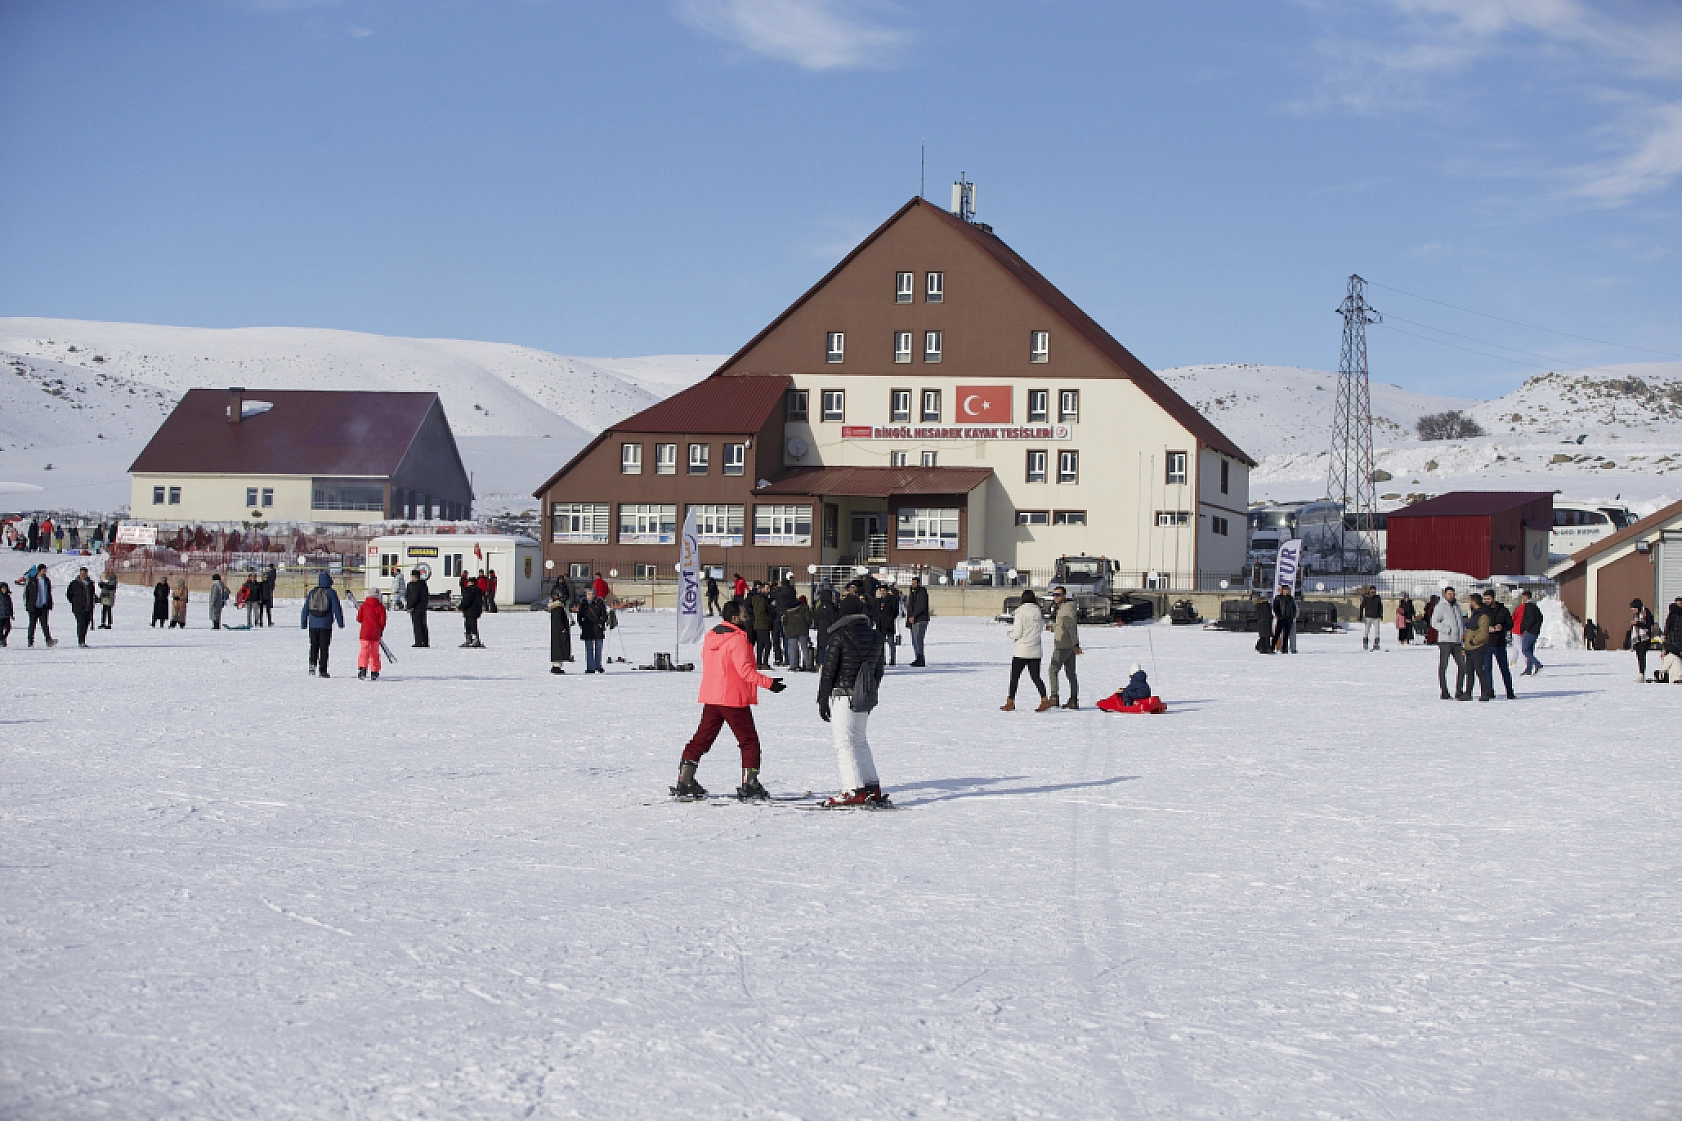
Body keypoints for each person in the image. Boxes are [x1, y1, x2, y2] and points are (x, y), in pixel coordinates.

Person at [672, 600, 786, 800]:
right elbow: (745, 671)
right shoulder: (737, 639)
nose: (747, 618)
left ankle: (685, 779)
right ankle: (750, 784)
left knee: (702, 738)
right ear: (734, 618)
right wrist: (770, 684)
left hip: (713, 696)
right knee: (749, 740)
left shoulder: (711, 637)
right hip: (732, 699)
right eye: (744, 615)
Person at [817, 593, 889, 807]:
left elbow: (829, 671)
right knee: (859, 740)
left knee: (844, 742)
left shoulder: (839, 635)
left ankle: (852, 789)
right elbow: (879, 670)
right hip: (863, 695)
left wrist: (822, 698)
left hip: (843, 694)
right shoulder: (876, 636)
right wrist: (869, 692)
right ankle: (871, 786)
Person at [1002, 589, 1051, 711]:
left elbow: (1018, 632)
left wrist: (1010, 634)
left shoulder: (1020, 612)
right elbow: (1041, 628)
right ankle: (1044, 699)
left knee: (1015, 677)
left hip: (1022, 650)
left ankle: (1010, 702)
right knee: (1036, 677)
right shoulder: (1038, 612)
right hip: (1035, 650)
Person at [300, 571, 345, 677]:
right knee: (324, 648)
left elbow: (305, 608)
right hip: (326, 625)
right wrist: (340, 622)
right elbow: (337, 608)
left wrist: (303, 622)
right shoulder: (331, 592)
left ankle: (312, 666)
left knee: (313, 646)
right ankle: (323, 670)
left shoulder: (312, 592)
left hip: (313, 625)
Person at [1047, 585, 1082, 709]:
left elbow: (1071, 628)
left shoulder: (1065, 610)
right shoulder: (1064, 608)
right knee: (1071, 673)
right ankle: (1073, 699)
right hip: (1069, 646)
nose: (1055, 597)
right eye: (1054, 595)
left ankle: (1054, 697)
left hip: (1063, 646)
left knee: (1053, 670)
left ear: (1064, 596)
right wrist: (1052, 628)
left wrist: (1076, 644)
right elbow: (1062, 626)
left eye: (1058, 595)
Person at [1431, 587, 1469, 700]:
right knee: (1443, 666)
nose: (1451, 596)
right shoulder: (1440, 607)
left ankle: (1459, 691)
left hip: (1457, 641)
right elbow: (1434, 622)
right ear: (1445, 595)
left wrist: (1463, 634)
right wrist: (1446, 629)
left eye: (1452, 594)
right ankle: (1444, 691)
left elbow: (1460, 622)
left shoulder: (1457, 606)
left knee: (1462, 666)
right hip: (1445, 641)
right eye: (1449, 594)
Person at [1481, 591, 1515, 699]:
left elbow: (1510, 624)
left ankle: (1509, 691)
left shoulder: (1503, 610)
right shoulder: (1482, 611)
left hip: (1499, 643)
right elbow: (1477, 625)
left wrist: (1502, 627)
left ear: (1493, 598)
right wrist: (1487, 628)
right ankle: (1489, 690)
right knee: (1487, 669)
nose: (1486, 601)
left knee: (1504, 668)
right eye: (1485, 599)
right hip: (1486, 643)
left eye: (1488, 599)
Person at [1463, 593, 1493, 701]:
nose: (1469, 603)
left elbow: (1484, 633)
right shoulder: (1474, 614)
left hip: (1478, 647)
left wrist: (1473, 641)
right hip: (1470, 648)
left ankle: (1484, 693)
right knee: (1469, 672)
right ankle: (1468, 693)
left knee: (1480, 671)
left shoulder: (1483, 615)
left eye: (1470, 601)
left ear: (1474, 602)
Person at [355, 588, 387, 680]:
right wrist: (381, 630)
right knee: (374, 653)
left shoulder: (364, 605)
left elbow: (359, 619)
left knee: (364, 651)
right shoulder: (380, 607)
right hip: (375, 634)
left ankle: (362, 668)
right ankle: (374, 671)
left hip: (364, 633)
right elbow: (382, 621)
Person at [577, 587, 609, 672]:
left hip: (597, 628)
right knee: (589, 649)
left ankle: (598, 666)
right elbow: (579, 616)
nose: (591, 596)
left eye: (592, 594)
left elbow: (605, 615)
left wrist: (601, 623)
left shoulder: (599, 603)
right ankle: (590, 667)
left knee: (598, 648)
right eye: (589, 594)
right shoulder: (583, 604)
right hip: (587, 628)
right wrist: (582, 625)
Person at [1515, 589, 1544, 676]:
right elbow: (1540, 617)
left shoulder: (1528, 606)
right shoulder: (1535, 605)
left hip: (1530, 632)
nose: (1522, 599)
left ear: (1525, 597)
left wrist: (1526, 628)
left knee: (1525, 650)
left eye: (1523, 597)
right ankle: (1528, 669)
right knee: (1530, 651)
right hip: (1535, 632)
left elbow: (1530, 619)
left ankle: (1537, 664)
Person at [545, 585, 573, 674]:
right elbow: (558, 619)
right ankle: (556, 666)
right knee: (559, 648)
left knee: (559, 647)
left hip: (557, 631)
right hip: (559, 632)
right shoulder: (557, 607)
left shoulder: (556, 607)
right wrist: (562, 628)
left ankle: (557, 665)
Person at [67, 566, 97, 647]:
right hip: (78, 607)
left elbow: (92, 594)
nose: (83, 575)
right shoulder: (74, 583)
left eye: (85, 573)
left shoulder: (90, 583)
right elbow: (69, 594)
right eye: (82, 573)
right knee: (81, 623)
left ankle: (83, 639)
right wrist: (75, 602)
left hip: (88, 607)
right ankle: (81, 641)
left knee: (86, 624)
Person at [782, 594, 812, 671]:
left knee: (792, 649)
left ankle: (793, 665)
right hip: (802, 630)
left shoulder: (789, 608)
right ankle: (808, 665)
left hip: (791, 631)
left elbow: (784, 620)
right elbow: (808, 619)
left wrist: (787, 628)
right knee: (804, 648)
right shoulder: (804, 607)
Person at [748, 582, 775, 668]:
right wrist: (769, 618)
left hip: (760, 623)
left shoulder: (761, 599)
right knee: (767, 644)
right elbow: (761, 612)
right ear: (762, 589)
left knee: (761, 644)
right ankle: (764, 662)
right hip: (762, 623)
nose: (768, 591)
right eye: (767, 589)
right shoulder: (760, 599)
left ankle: (759, 662)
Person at [905, 576, 930, 667]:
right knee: (914, 640)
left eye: (915, 583)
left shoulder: (922, 592)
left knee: (918, 639)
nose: (913, 585)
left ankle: (920, 658)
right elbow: (909, 606)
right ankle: (917, 657)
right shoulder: (912, 593)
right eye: (912, 583)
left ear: (918, 583)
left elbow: (921, 606)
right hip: (913, 620)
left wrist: (913, 616)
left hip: (921, 619)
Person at [873, 584, 899, 667]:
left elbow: (895, 611)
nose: (882, 592)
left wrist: (889, 619)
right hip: (880, 625)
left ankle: (892, 659)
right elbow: (875, 612)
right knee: (881, 644)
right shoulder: (877, 601)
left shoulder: (892, 600)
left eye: (883, 591)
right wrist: (877, 619)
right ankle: (882, 659)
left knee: (891, 643)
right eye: (881, 591)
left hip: (889, 625)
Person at [1630, 598, 1656, 682]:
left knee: (1642, 656)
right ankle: (1641, 673)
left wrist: (1637, 624)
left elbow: (1648, 624)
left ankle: (1642, 674)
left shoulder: (1646, 613)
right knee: (1639, 656)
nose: (1633, 610)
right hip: (1637, 638)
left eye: (1634, 608)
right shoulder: (1636, 614)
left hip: (1645, 638)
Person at [813, 585, 838, 667]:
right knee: (828, 646)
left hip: (821, 628)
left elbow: (815, 617)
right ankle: (826, 663)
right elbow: (832, 618)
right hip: (829, 628)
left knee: (821, 646)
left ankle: (820, 662)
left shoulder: (819, 606)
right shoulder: (830, 606)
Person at [405, 567, 430, 647]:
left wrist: (409, 606)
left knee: (417, 625)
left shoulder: (414, 585)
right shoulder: (423, 584)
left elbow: (413, 597)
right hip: (422, 608)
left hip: (416, 608)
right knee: (423, 625)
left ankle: (419, 642)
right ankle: (425, 641)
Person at [458, 574, 485, 648]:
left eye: (469, 582)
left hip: (470, 611)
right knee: (472, 625)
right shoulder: (478, 590)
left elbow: (467, 600)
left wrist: (461, 607)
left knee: (470, 625)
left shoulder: (470, 590)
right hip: (475, 611)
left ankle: (472, 639)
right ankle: (472, 639)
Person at [1272, 584, 1298, 654]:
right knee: (1277, 634)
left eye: (1288, 590)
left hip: (1289, 618)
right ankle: (1272, 647)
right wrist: (1278, 615)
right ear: (1282, 590)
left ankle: (1284, 648)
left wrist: (1293, 615)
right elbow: (1275, 607)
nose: (1287, 591)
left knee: (1286, 634)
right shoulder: (1278, 598)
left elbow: (1294, 607)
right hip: (1281, 618)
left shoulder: (1291, 598)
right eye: (1285, 590)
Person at [1360, 585, 1384, 651]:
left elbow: (1380, 607)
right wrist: (1361, 615)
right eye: (1371, 591)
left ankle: (1376, 644)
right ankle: (1365, 644)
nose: (1373, 592)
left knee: (1377, 631)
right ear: (1369, 591)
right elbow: (1362, 606)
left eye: (1374, 591)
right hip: (1368, 617)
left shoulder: (1378, 598)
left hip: (1376, 617)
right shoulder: (1366, 598)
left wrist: (1381, 615)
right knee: (1366, 631)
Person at [0, 582, 12, 647]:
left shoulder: (7, 596)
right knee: (0, 629)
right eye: (3, 588)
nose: (4, 590)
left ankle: (3, 638)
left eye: (5, 588)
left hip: (7, 615)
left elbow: (10, 605)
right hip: (0, 616)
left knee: (8, 628)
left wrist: (11, 614)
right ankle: (1, 640)